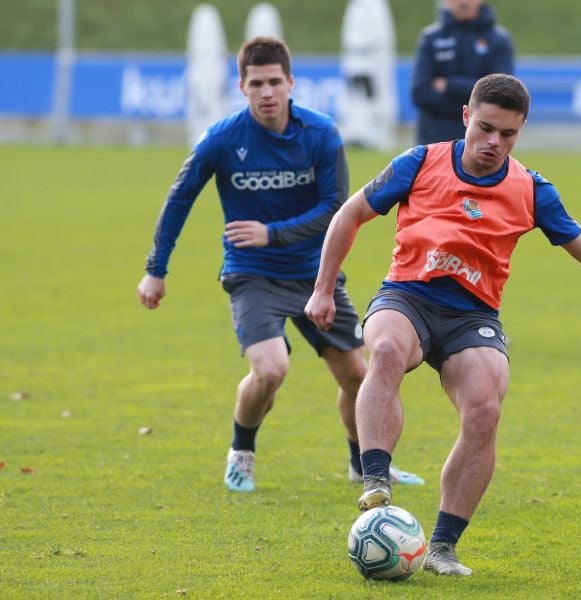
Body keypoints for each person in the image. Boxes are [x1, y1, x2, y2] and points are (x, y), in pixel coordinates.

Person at [305, 73, 581, 576]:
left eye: (508, 134)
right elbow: (349, 215)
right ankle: (376, 481)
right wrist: (322, 288)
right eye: (486, 128)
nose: (494, 143)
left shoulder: (531, 189)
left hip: (473, 316)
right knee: (383, 352)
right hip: (408, 295)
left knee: (485, 408)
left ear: (520, 132)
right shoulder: (420, 162)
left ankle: (443, 548)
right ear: (467, 116)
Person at [136, 36, 421, 493]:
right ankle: (241, 454)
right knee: (269, 370)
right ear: (242, 87)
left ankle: (363, 466)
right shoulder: (222, 138)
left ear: (291, 83)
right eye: (256, 83)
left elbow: (334, 207)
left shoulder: (321, 133)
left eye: (274, 82)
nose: (266, 92)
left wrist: (273, 232)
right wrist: (156, 268)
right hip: (252, 276)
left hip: (315, 276)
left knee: (358, 377)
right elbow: (179, 198)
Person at [411, 0, 514, 145]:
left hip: (482, 145)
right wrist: (474, 100)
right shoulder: (431, 38)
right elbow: (419, 93)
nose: (463, 2)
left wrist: (448, 85)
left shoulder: (499, 40)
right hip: (434, 143)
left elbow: (500, 94)